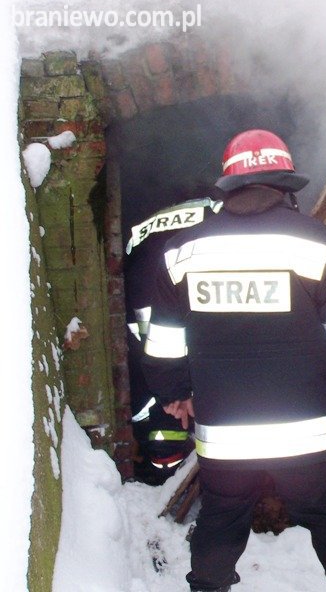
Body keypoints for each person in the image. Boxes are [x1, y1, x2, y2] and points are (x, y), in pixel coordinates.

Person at [142, 129, 326, 592]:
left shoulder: (181, 252)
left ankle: (208, 587)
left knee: (221, 516)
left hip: (224, 434)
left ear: (229, 185)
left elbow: (163, 343)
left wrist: (174, 393)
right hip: (307, 432)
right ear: (285, 184)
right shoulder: (317, 244)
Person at [124, 196, 221, 485]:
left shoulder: (145, 228)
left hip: (148, 334)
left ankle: (164, 476)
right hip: (182, 331)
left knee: (163, 413)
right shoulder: (216, 216)